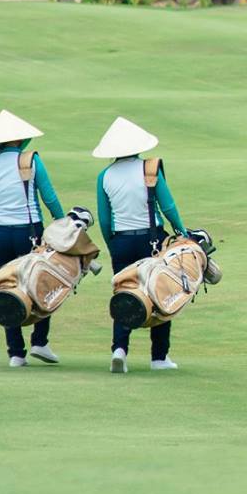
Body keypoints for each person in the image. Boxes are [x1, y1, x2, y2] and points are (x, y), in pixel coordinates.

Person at [92, 116, 188, 373]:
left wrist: (112, 244)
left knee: (124, 295)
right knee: (160, 293)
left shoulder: (104, 176)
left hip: (121, 241)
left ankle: (119, 350)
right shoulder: (150, 169)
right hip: (152, 239)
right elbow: (168, 206)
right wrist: (181, 231)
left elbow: (104, 219)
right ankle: (159, 357)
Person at [0, 109, 65, 368]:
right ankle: (40, 340)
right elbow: (49, 197)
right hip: (30, 232)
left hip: (2, 235)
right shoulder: (30, 160)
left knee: (8, 290)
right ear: (18, 138)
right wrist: (64, 224)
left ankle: (16, 352)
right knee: (43, 284)